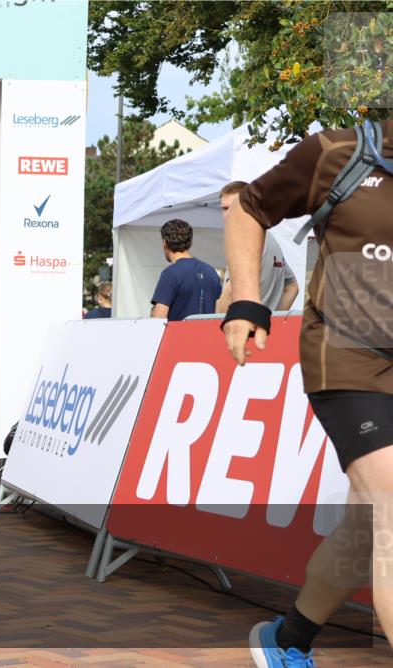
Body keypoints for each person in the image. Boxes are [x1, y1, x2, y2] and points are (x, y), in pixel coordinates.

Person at [222, 118, 392, 668]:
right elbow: (249, 208)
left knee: (366, 531)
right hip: (349, 358)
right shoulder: (339, 151)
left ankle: (287, 639)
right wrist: (248, 300)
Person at [214, 181, 299, 314]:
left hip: (242, 330)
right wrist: (272, 319)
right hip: (263, 330)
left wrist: (218, 327)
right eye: (225, 208)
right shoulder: (268, 238)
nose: (228, 214)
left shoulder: (244, 241)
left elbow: (228, 294)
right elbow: (292, 287)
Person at [150, 218, 222, 321]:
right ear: (190, 242)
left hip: (180, 336)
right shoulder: (211, 271)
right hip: (207, 335)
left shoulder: (170, 273)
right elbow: (219, 312)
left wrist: (153, 311)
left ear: (165, 242)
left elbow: (158, 317)